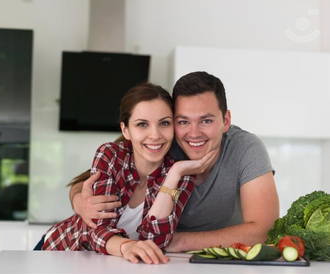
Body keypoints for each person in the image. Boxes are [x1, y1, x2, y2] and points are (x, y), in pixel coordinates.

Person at [70, 71, 280, 252]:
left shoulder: (246, 148)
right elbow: (89, 181)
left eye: (206, 120)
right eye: (183, 121)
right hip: (153, 259)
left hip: (213, 260)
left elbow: (264, 229)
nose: (194, 133)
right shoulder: (161, 142)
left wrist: (179, 241)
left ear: (225, 121)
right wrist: (80, 202)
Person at [40, 83, 216, 264]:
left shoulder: (181, 174)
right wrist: (127, 246)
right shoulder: (110, 155)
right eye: (142, 124)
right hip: (60, 251)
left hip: (112, 265)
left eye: (164, 123)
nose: (155, 135)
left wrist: (175, 173)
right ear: (126, 130)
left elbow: (156, 241)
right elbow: (96, 229)